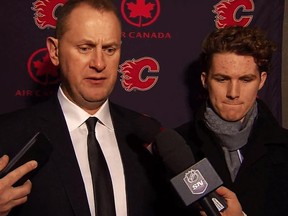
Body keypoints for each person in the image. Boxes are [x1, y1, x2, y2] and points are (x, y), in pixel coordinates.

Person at [0, 0, 174, 215]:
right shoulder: (8, 136)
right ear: (54, 51)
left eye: (109, 49)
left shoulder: (147, 135)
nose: (99, 63)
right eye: (85, 48)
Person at [176, 25, 288, 216]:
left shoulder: (285, 147)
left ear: (261, 81)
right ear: (205, 80)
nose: (233, 93)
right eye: (222, 79)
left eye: (245, 80)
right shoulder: (177, 146)